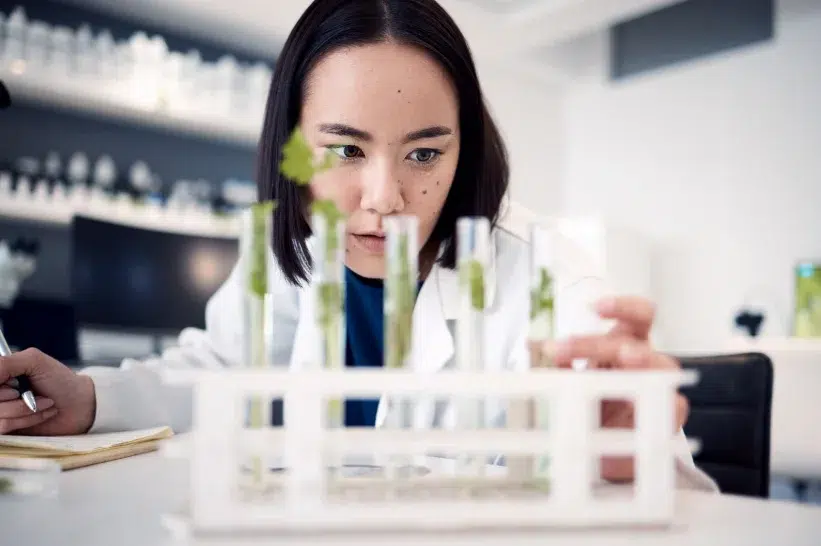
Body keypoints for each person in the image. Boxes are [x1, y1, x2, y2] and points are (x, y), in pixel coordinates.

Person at [0, 0, 716, 490]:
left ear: (463, 151)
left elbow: (674, 489)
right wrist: (89, 397)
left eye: (424, 154)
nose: (384, 199)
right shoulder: (295, 254)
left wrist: (628, 456)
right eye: (345, 150)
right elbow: (217, 371)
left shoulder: (546, 275)